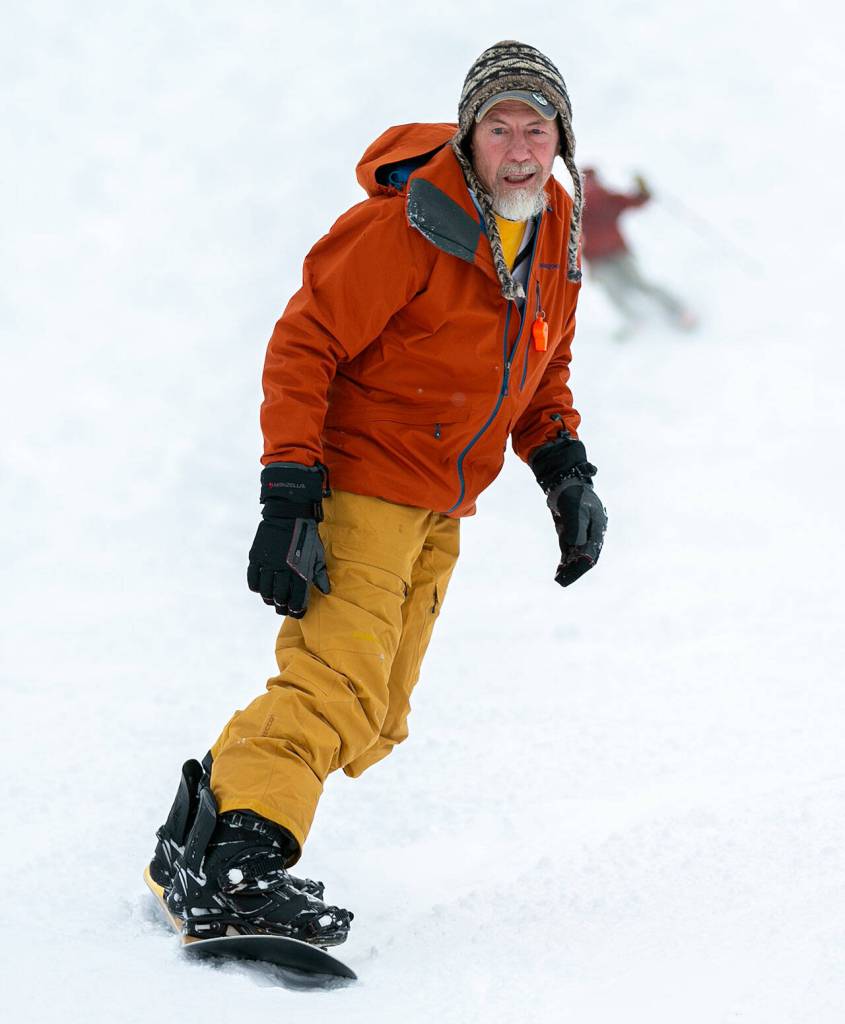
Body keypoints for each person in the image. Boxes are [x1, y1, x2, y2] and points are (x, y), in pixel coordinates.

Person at [145, 40, 607, 948]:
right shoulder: (405, 226)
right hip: (360, 482)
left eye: (537, 127)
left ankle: (192, 842)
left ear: (560, 139)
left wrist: (564, 469)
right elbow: (302, 344)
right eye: (500, 127)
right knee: (334, 681)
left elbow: (541, 363)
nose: (519, 147)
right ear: (469, 135)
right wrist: (289, 495)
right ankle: (236, 860)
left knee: (377, 711)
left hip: (440, 501)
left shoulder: (554, 223)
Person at [581, 167, 695, 337]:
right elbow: (636, 201)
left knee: (619, 291)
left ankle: (653, 317)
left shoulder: (580, 202)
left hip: (605, 256)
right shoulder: (605, 197)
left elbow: (569, 237)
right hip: (610, 254)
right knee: (634, 286)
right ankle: (673, 313)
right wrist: (643, 192)